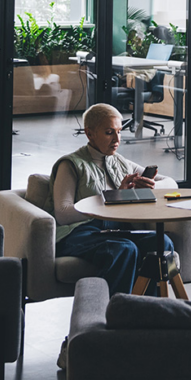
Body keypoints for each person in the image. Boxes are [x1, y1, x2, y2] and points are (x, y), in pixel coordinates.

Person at [50, 103, 175, 296]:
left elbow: (171, 183)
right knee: (124, 249)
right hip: (78, 234)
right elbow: (63, 214)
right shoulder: (71, 164)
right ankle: (114, 315)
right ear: (90, 133)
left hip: (113, 231)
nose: (117, 140)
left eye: (119, 132)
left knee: (162, 243)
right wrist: (114, 197)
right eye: (109, 133)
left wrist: (151, 187)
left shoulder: (121, 162)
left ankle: (150, 310)